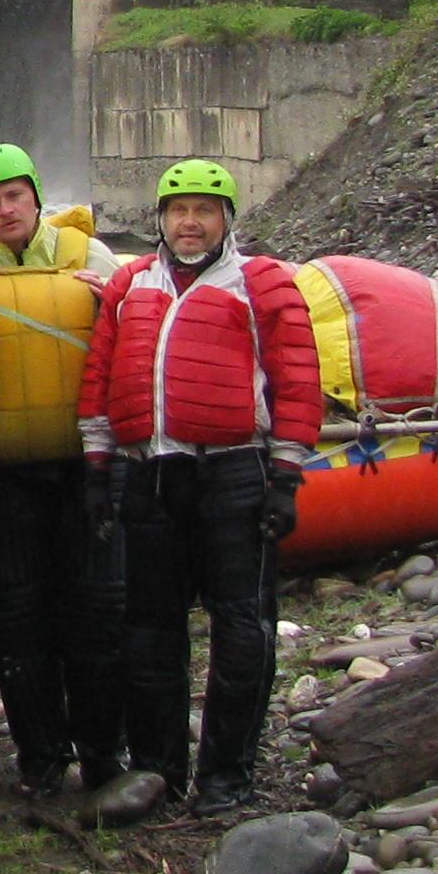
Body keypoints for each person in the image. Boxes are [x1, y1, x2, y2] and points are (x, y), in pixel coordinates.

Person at [75, 158, 323, 814]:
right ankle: (159, 769)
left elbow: (298, 380)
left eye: (204, 211)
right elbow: (99, 378)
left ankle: (225, 775)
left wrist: (286, 478)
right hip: (149, 474)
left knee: (241, 624)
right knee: (150, 628)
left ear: (226, 220)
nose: (190, 223)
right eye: (178, 210)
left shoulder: (261, 283)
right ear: (160, 219)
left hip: (232, 474)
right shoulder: (129, 283)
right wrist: (98, 469)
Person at [0, 142, 157, 822]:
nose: (5, 210)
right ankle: (40, 759)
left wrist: (113, 310)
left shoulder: (94, 259)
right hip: (6, 477)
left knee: (98, 612)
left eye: (15, 196)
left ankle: (104, 753)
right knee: (18, 619)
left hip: (86, 471)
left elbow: (144, 341)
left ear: (36, 198)